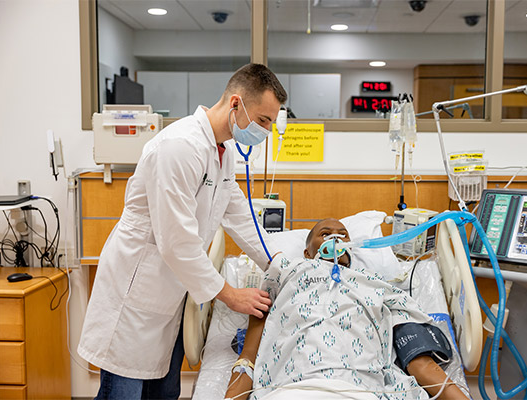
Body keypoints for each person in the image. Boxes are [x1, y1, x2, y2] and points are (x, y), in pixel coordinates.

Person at [78, 63, 288, 399]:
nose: (265, 130)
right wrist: (232, 296)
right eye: (263, 120)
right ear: (236, 104)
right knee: (124, 393)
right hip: (135, 293)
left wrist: (277, 262)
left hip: (170, 294)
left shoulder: (223, 153)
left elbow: (239, 215)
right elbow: (177, 244)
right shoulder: (179, 147)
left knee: (164, 392)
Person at [225, 219, 468, 400]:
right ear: (307, 252)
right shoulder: (288, 270)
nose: (336, 238)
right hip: (292, 387)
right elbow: (250, 349)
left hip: (360, 388)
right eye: (325, 233)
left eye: (343, 234)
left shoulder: (375, 282)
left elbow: (417, 352)